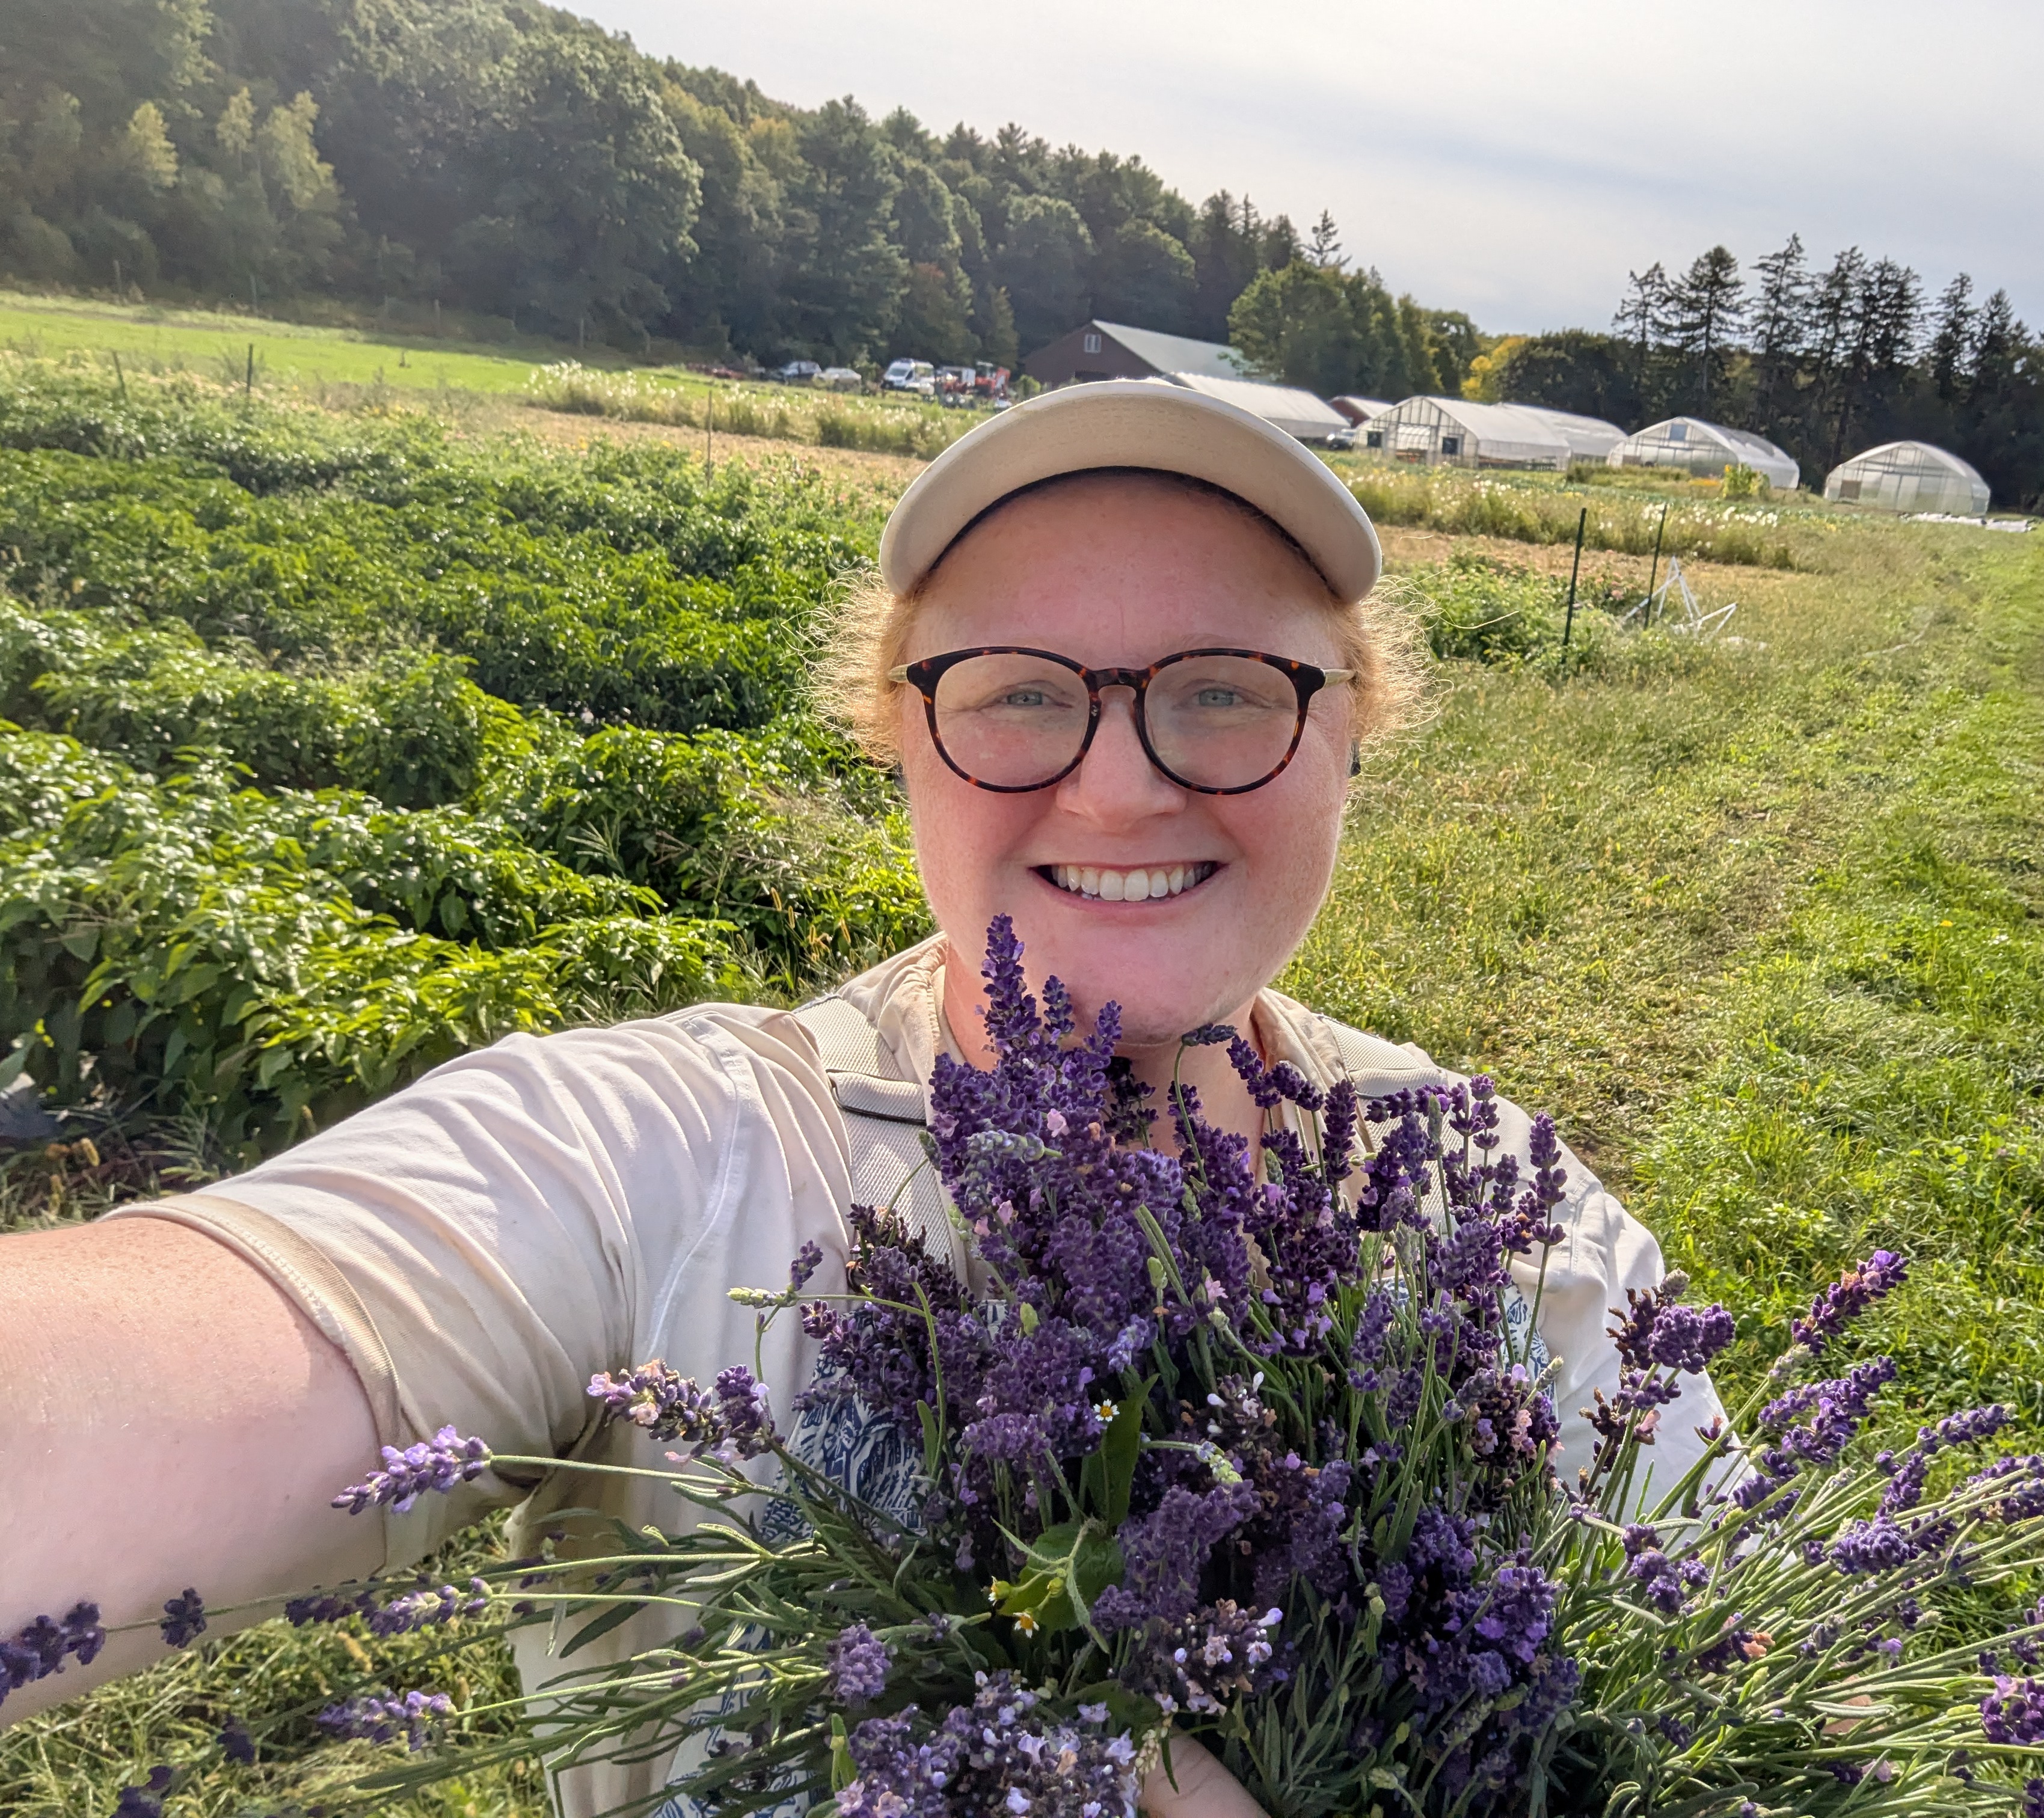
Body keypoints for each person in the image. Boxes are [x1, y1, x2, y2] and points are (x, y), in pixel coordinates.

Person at [0, 382, 1724, 1816]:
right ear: (896, 738)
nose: (1118, 786)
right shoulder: (678, 1159)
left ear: (1352, 731)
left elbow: (1717, 1694)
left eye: (1224, 691)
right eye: (1021, 699)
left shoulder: (1511, 1203)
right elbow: (185, 1359)